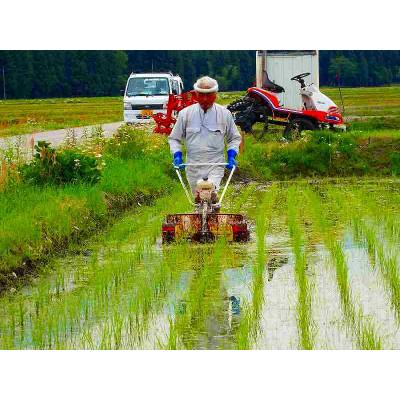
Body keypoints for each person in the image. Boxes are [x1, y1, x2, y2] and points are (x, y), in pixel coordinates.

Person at [168, 76, 242, 200]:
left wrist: (231, 155)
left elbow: (234, 138)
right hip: (193, 165)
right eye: (202, 95)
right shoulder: (185, 114)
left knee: (210, 195)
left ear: (215, 95)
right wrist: (177, 155)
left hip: (215, 164)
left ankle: (213, 210)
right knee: (197, 199)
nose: (205, 99)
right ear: (196, 95)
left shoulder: (224, 114)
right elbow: (174, 138)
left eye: (209, 95)